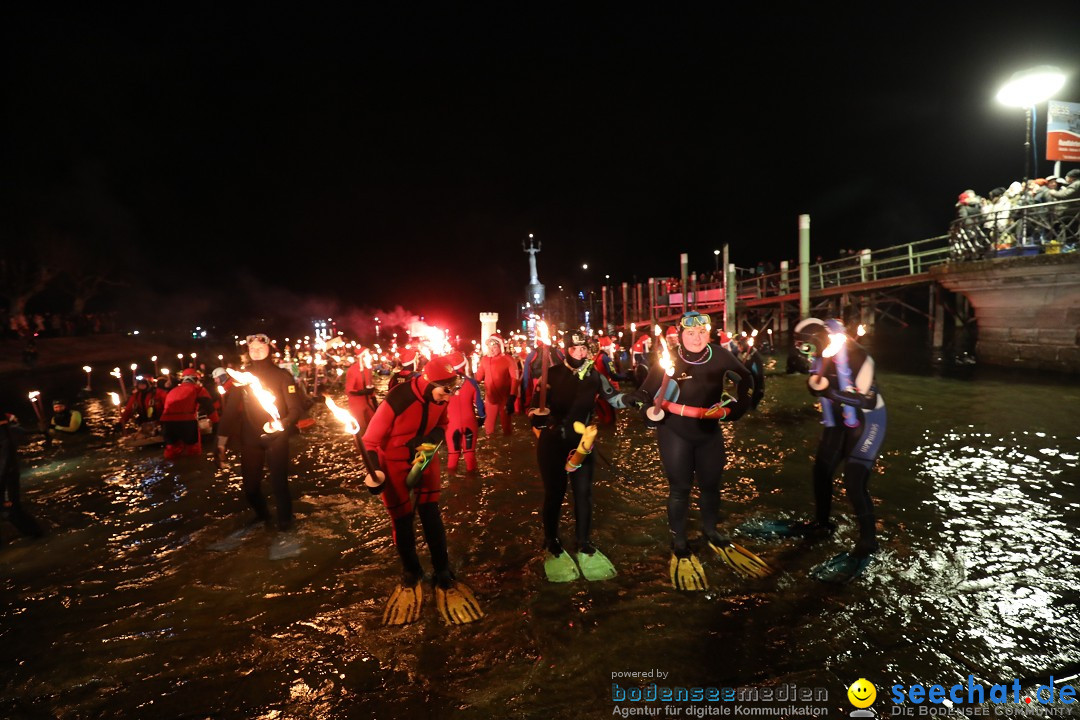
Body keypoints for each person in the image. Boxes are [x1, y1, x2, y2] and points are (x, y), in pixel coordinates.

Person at [634, 310, 766, 591]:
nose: (697, 338)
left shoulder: (719, 355)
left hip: (709, 432)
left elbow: (746, 380)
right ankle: (679, 543)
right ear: (681, 335)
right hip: (675, 431)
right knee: (680, 488)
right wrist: (646, 412)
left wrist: (738, 407)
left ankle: (710, 531)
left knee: (711, 485)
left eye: (702, 333)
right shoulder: (669, 358)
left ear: (709, 333)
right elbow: (644, 394)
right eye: (690, 333)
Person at [361, 355, 483, 626]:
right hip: (392, 465)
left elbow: (442, 426)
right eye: (445, 391)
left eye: (453, 390)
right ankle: (411, 573)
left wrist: (428, 442)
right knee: (402, 519)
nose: (449, 398)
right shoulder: (398, 399)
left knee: (431, 513)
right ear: (429, 384)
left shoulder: (441, 399)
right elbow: (369, 440)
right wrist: (374, 475)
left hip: (426, 458)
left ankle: (442, 571)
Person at [527, 331, 642, 582]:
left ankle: (584, 542)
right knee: (554, 493)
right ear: (566, 350)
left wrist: (635, 399)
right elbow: (533, 406)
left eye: (584, 349)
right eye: (575, 349)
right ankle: (552, 541)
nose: (580, 353)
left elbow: (614, 399)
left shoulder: (594, 375)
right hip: (552, 442)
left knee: (584, 494)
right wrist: (536, 417)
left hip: (583, 442)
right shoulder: (551, 374)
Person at [784, 317, 886, 583]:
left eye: (807, 347)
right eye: (800, 348)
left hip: (867, 421)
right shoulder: (822, 356)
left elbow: (869, 398)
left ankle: (868, 542)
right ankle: (822, 525)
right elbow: (815, 385)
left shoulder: (859, 356)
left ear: (819, 340)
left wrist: (830, 392)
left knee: (854, 482)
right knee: (821, 470)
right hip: (838, 422)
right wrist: (815, 385)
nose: (805, 353)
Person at [215, 333, 307, 554]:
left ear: (269, 350)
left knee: (278, 484)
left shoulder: (282, 376)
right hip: (250, 437)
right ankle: (264, 517)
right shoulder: (242, 377)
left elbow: (296, 409)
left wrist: (282, 424)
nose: (255, 350)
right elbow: (229, 411)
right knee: (250, 487)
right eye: (252, 347)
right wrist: (221, 441)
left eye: (260, 347)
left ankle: (285, 526)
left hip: (277, 435)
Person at [1, 410, 44, 546]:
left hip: (6, 476)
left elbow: (5, 458)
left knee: (10, 511)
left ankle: (39, 538)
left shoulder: (5, 435)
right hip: (6, 474)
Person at [160, 368, 217, 459]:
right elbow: (209, 407)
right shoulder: (197, 389)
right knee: (192, 450)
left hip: (167, 424)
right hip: (187, 422)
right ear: (195, 379)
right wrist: (216, 423)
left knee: (171, 450)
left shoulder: (173, 390)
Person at [443, 351, 485, 472]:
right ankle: (472, 484)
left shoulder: (444, 385)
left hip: (451, 424)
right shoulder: (472, 382)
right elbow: (479, 404)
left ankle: (453, 485)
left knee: (453, 456)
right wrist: (482, 417)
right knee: (470, 456)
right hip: (470, 423)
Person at [475, 334, 518, 436]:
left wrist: (512, 397)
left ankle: (508, 448)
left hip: (505, 398)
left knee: (506, 428)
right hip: (490, 398)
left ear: (501, 347)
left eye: (494, 347)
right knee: (488, 429)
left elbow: (515, 379)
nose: (491, 350)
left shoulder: (509, 359)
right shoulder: (484, 360)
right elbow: (478, 378)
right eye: (489, 347)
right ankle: (489, 448)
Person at [344, 346, 379, 432]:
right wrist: (362, 392)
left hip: (368, 402)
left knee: (374, 425)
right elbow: (349, 390)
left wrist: (374, 401)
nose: (370, 357)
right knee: (361, 428)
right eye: (368, 355)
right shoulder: (352, 370)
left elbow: (370, 385)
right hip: (357, 404)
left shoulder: (368, 369)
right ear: (362, 357)